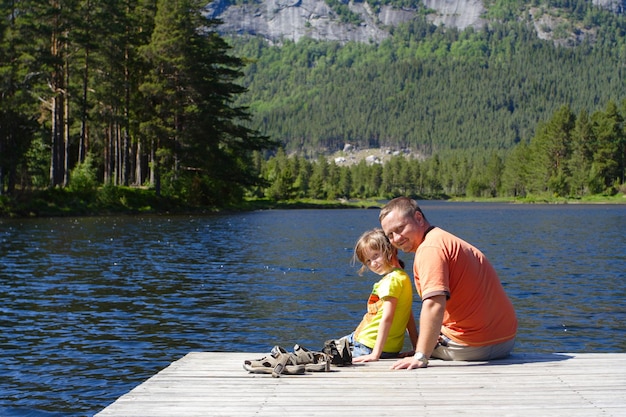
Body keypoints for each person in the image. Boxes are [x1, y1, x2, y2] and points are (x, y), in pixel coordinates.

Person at [378, 197, 517, 369]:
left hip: (473, 347)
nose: (396, 239)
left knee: (376, 351)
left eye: (400, 228)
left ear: (419, 218)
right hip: (506, 341)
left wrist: (421, 355)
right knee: (429, 336)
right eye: (390, 235)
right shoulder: (444, 239)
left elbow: (434, 304)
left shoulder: (430, 249)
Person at [346, 228, 418, 363]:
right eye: (368, 261)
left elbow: (387, 318)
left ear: (389, 249)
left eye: (376, 255)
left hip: (367, 345)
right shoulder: (402, 277)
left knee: (323, 356)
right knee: (331, 347)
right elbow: (407, 315)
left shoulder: (391, 280)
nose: (373, 263)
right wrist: (417, 347)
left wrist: (375, 354)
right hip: (383, 347)